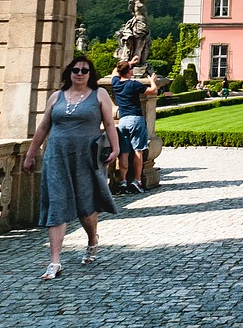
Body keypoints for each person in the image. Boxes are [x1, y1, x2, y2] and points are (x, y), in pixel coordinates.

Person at [21, 57, 119, 280]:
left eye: (84, 70)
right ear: (69, 73)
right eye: (76, 69)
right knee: (56, 204)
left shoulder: (99, 94)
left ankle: (92, 239)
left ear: (90, 73)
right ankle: (54, 262)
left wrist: (115, 148)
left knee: (86, 207)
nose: (80, 73)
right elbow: (44, 126)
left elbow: (110, 124)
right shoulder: (56, 97)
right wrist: (30, 155)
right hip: (56, 157)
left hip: (85, 158)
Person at [109, 60, 158, 194]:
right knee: (138, 151)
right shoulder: (134, 84)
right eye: (131, 68)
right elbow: (153, 91)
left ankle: (123, 181)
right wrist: (152, 80)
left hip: (123, 120)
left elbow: (115, 71)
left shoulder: (116, 83)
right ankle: (137, 181)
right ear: (129, 71)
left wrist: (128, 62)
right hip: (136, 119)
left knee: (124, 152)